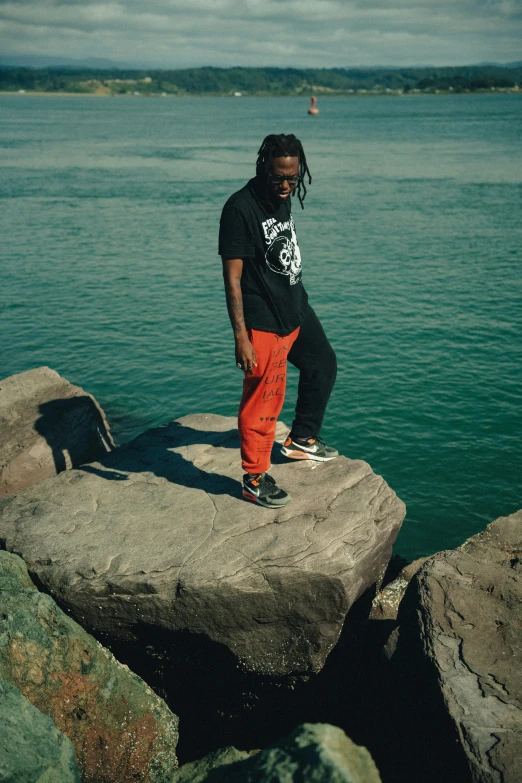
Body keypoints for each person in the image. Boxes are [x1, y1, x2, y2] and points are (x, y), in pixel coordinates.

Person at [219, 133, 337, 508]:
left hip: (295, 309)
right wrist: (241, 336)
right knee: (263, 401)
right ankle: (254, 478)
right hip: (263, 320)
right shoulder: (240, 209)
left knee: (323, 364)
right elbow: (232, 278)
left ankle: (301, 439)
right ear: (263, 169)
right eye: (278, 178)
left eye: (292, 178)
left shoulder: (282, 197)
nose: (286, 185)